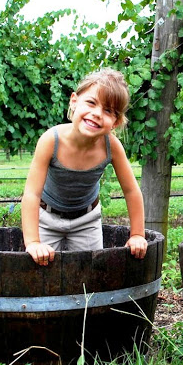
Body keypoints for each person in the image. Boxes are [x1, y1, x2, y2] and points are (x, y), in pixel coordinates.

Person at [22, 68, 148, 266]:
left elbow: (132, 191)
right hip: (46, 218)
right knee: (43, 274)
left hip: (86, 221)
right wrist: (33, 242)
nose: (97, 114)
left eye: (108, 111)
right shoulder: (51, 140)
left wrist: (138, 234)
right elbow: (31, 194)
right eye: (91, 102)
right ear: (74, 101)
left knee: (89, 276)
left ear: (116, 122)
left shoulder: (111, 146)